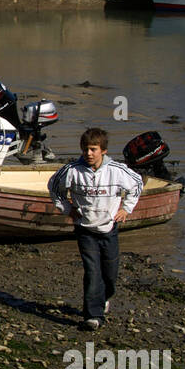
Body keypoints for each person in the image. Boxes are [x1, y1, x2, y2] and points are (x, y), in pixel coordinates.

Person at [48, 127, 143, 332]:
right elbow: (54, 187)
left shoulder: (117, 171)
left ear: (104, 151)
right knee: (92, 272)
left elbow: (137, 184)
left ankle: (105, 297)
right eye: (85, 149)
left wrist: (126, 209)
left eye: (93, 149)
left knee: (110, 274)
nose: (88, 154)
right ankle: (92, 316)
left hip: (109, 229)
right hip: (85, 229)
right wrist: (67, 209)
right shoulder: (72, 170)